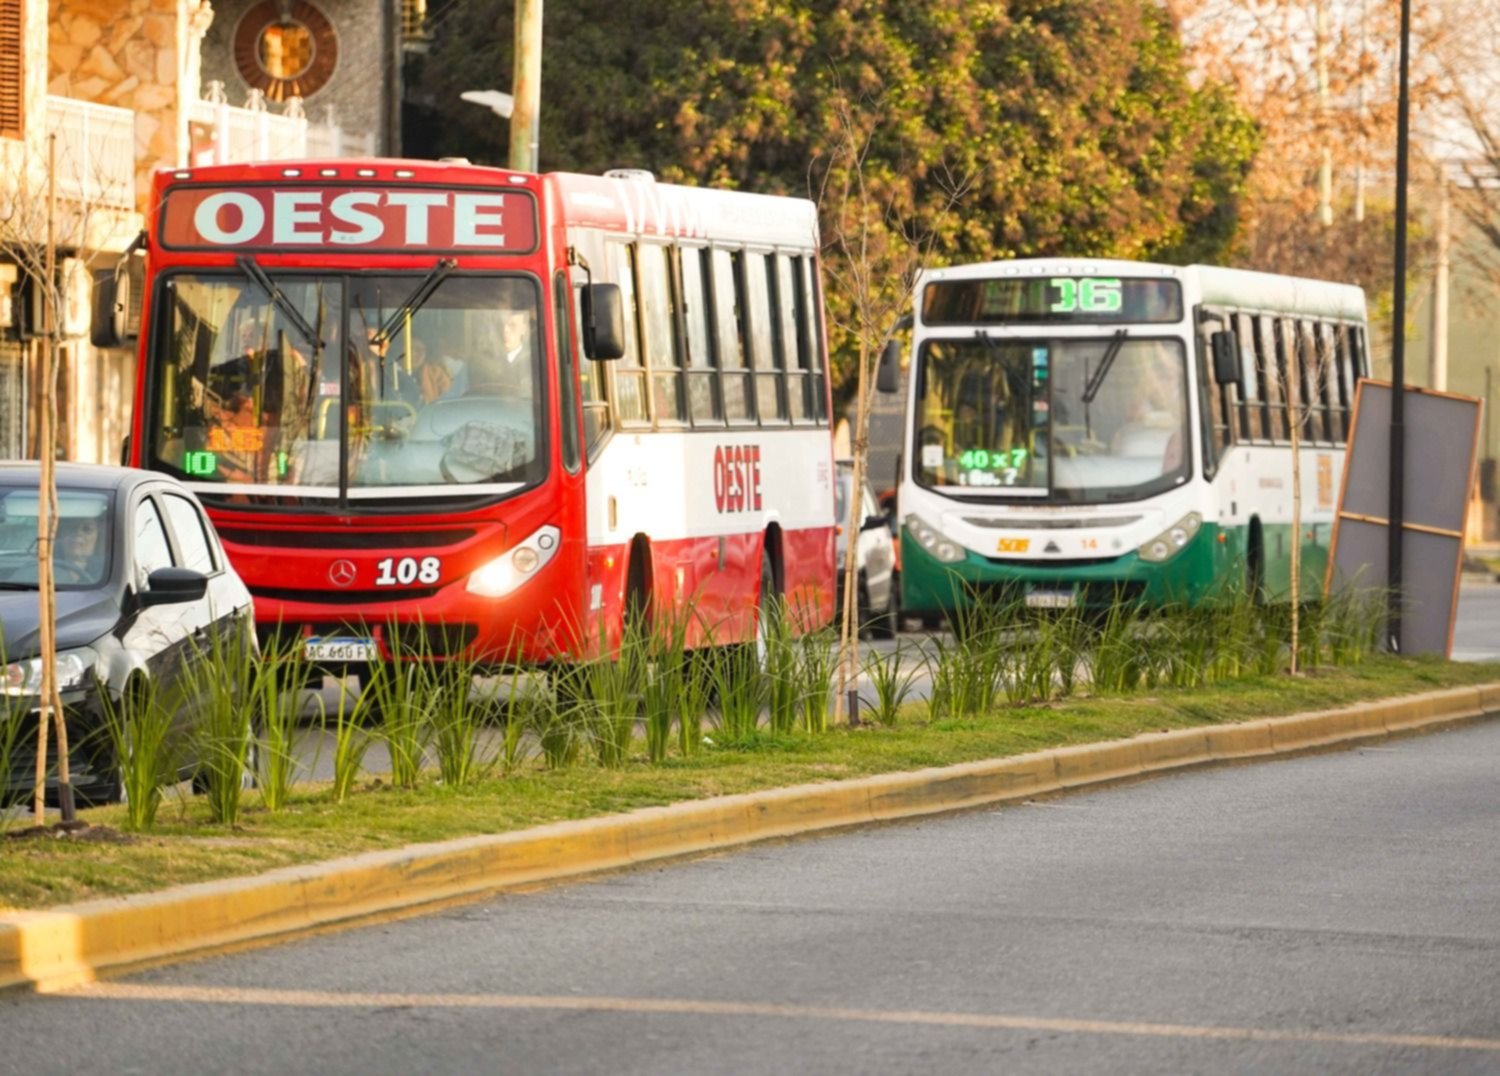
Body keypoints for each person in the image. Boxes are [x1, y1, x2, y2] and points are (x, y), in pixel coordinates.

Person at [469, 308, 535, 397]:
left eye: (512, 325)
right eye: (501, 325)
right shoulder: (482, 362)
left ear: (523, 329)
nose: (505, 330)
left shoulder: (531, 362)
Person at [55, 514, 105, 584]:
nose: (78, 533)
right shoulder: (44, 567)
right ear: (62, 534)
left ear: (98, 537)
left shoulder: (106, 571)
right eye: (71, 527)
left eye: (87, 529)